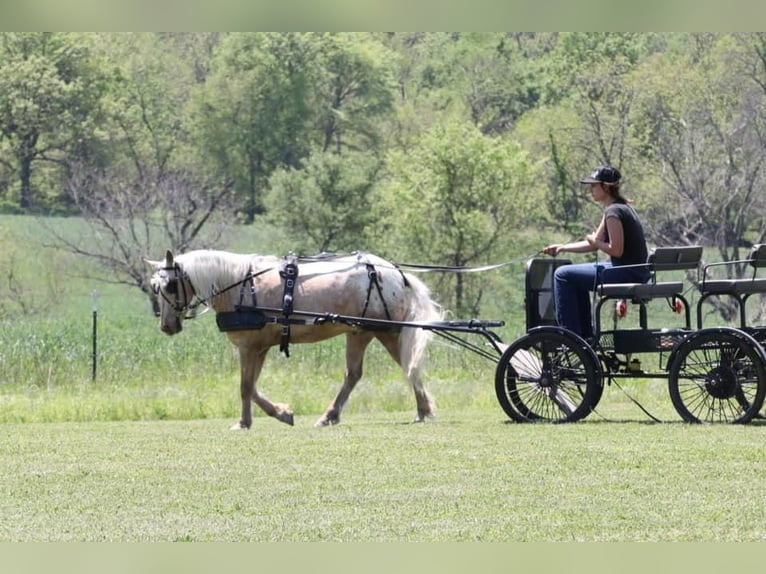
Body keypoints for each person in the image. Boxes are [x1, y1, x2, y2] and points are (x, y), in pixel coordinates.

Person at [542, 164, 649, 340]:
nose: (590, 189)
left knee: (562, 275)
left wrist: (597, 242)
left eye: (594, 185)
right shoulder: (617, 208)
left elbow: (616, 250)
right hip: (631, 270)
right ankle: (585, 337)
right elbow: (593, 244)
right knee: (573, 276)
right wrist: (562, 247)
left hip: (628, 272)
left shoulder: (614, 211)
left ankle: (571, 338)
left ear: (606, 187)